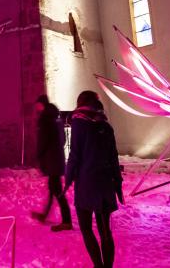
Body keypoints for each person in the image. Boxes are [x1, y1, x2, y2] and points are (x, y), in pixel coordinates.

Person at [65, 91, 122, 268]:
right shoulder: (106, 126)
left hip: (87, 185)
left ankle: (98, 266)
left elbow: (75, 155)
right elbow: (114, 157)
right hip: (105, 185)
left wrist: (67, 179)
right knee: (105, 232)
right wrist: (117, 184)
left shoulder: (79, 124)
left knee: (86, 228)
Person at [31, 94, 72, 231]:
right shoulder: (57, 117)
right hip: (57, 158)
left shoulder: (45, 119)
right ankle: (45, 214)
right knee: (52, 188)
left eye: (37, 105)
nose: (36, 108)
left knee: (57, 191)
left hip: (51, 160)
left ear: (41, 104)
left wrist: (39, 155)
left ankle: (67, 221)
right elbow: (63, 139)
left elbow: (43, 141)